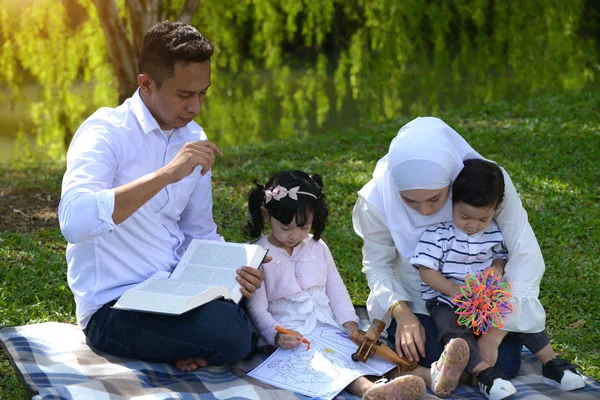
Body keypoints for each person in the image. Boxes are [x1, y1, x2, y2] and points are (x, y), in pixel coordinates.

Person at [58, 21, 266, 372]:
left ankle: (187, 341)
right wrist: (167, 175)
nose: (196, 107)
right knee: (231, 334)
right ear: (146, 84)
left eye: (203, 93)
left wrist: (236, 270)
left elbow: (199, 233)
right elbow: (74, 222)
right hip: (114, 306)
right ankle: (195, 342)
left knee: (259, 302)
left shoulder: (194, 136)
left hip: (176, 292)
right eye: (184, 95)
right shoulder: (104, 132)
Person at [352, 116, 548, 392]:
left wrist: (493, 335)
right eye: (409, 201)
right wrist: (402, 313)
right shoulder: (377, 197)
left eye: (435, 198)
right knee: (419, 348)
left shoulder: (483, 185)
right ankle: (442, 370)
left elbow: (524, 253)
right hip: (421, 301)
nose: (424, 210)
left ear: (452, 179)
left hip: (481, 303)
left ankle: (445, 372)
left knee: (504, 359)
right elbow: (378, 265)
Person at [244, 170, 431, 399]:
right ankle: (370, 390)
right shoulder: (257, 255)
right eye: (286, 228)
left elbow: (335, 287)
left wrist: (350, 324)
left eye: (303, 227)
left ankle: (427, 376)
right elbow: (256, 308)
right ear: (266, 215)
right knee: (325, 363)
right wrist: (275, 335)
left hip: (327, 325)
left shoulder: (317, 246)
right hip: (292, 334)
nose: (295, 235)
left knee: (364, 351)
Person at [412, 158, 584, 399]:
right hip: (447, 301)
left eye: (482, 219)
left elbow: (502, 258)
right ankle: (486, 374)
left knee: (517, 315)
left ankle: (552, 363)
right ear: (453, 202)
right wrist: (453, 290)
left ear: (495, 209)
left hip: (486, 298)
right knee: (452, 331)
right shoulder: (438, 234)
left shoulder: (493, 232)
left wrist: (496, 270)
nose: (473, 225)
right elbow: (426, 270)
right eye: (465, 216)